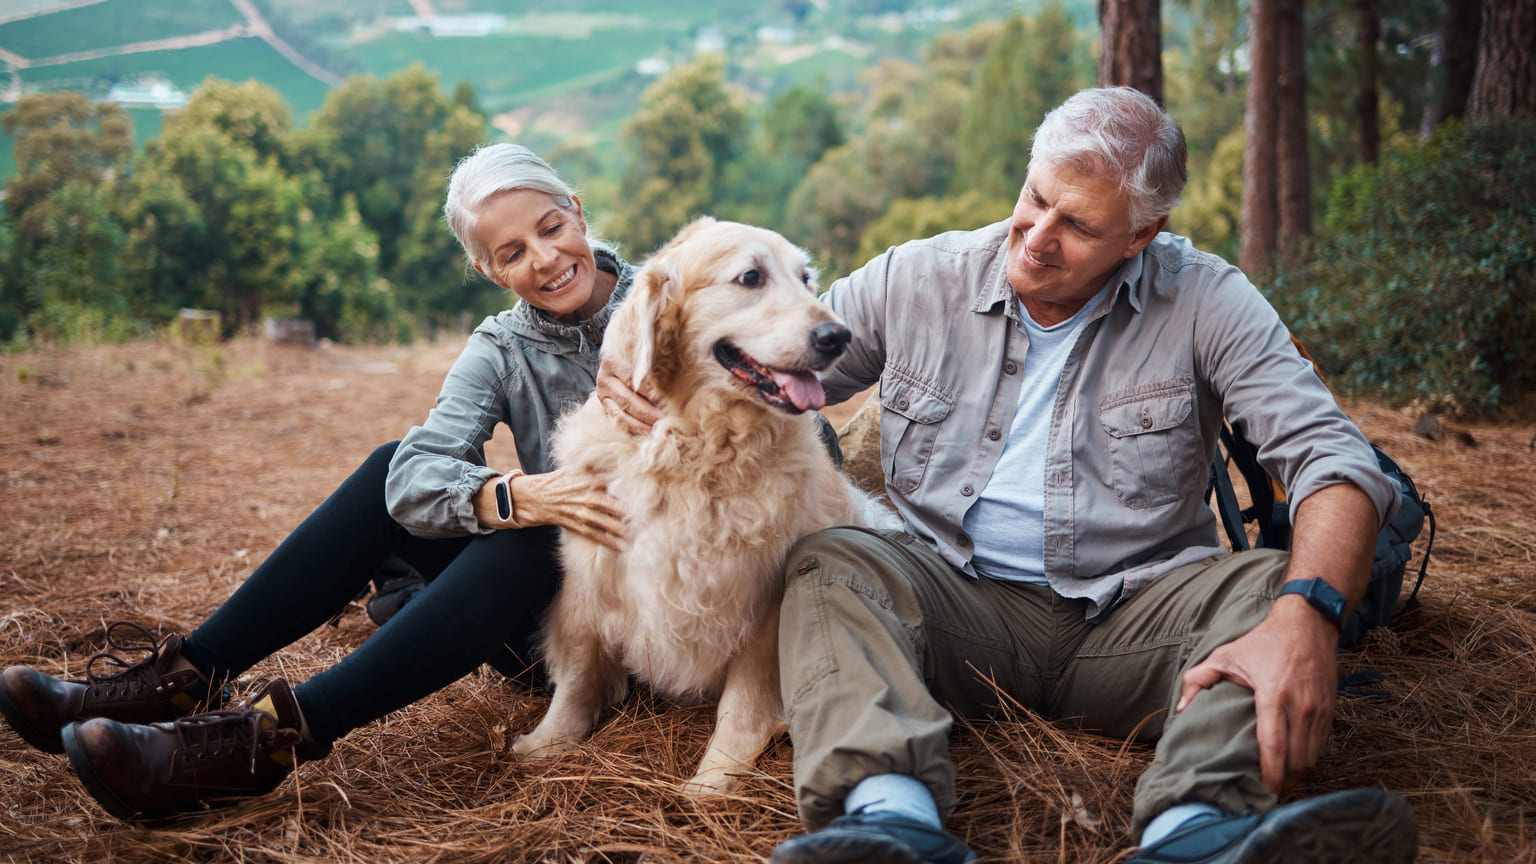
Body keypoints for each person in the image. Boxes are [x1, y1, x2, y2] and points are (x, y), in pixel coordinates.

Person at [602, 87, 1420, 864]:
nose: (1035, 236)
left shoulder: (1210, 300)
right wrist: (627, 349)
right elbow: (765, 345)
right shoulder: (917, 279)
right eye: (1035, 198)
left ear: (1142, 235)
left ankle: (1195, 830)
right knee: (834, 563)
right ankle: (890, 821)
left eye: (1077, 225)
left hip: (1137, 619)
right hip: (949, 612)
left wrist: (1308, 617)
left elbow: (1334, 461)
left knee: (1267, 591)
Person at [0, 143, 633, 820]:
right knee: (400, 469)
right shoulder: (503, 347)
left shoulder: (672, 304)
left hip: (656, 631)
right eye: (510, 253)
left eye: (550, 228)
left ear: (577, 210)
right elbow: (414, 477)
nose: (543, 258)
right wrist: (510, 494)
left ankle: (261, 744)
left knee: (535, 536)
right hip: (554, 636)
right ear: (486, 270)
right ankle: (183, 680)